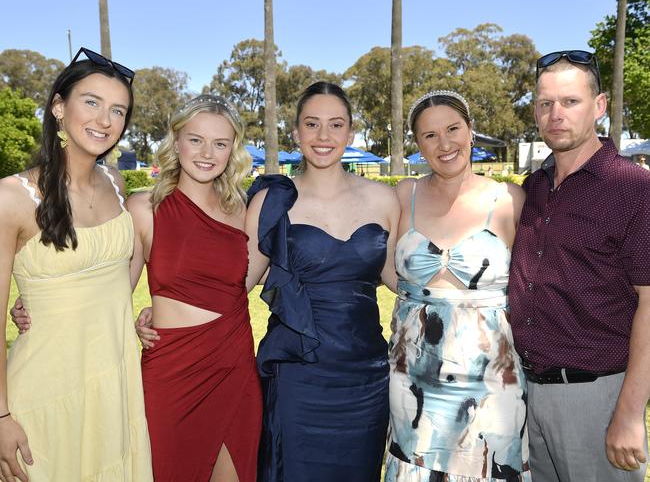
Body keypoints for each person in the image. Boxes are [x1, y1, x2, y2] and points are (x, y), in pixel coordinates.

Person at [0, 47, 152, 481]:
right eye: (91, 102)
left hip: (115, 389)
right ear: (58, 106)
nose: (105, 120)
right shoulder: (11, 198)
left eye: (118, 110)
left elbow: (116, 284)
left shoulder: (119, 185)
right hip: (42, 396)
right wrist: (1, 418)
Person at [246, 81, 400, 481]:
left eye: (335, 125)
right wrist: (167, 308)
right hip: (299, 375)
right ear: (296, 132)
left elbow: (399, 280)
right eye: (312, 124)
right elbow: (237, 282)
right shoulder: (273, 201)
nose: (323, 136)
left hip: (365, 378)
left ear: (350, 132)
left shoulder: (384, 201)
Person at [509, 50, 650, 481]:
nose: (556, 114)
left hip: (597, 397)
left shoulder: (634, 188)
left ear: (600, 106)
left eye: (570, 101)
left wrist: (629, 413)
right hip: (525, 395)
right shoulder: (531, 189)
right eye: (545, 103)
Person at [385, 90, 530, 481]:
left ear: (470, 131)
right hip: (412, 376)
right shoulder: (402, 196)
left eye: (453, 129)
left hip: (492, 379)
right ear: (418, 145)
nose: (444, 144)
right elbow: (384, 271)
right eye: (430, 136)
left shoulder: (508, 199)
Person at [127, 95, 262, 481]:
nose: (207, 153)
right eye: (196, 139)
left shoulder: (244, 210)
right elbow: (111, 293)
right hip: (171, 372)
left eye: (220, 143)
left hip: (233, 366)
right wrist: (38, 305)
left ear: (232, 150)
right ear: (176, 141)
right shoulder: (145, 209)